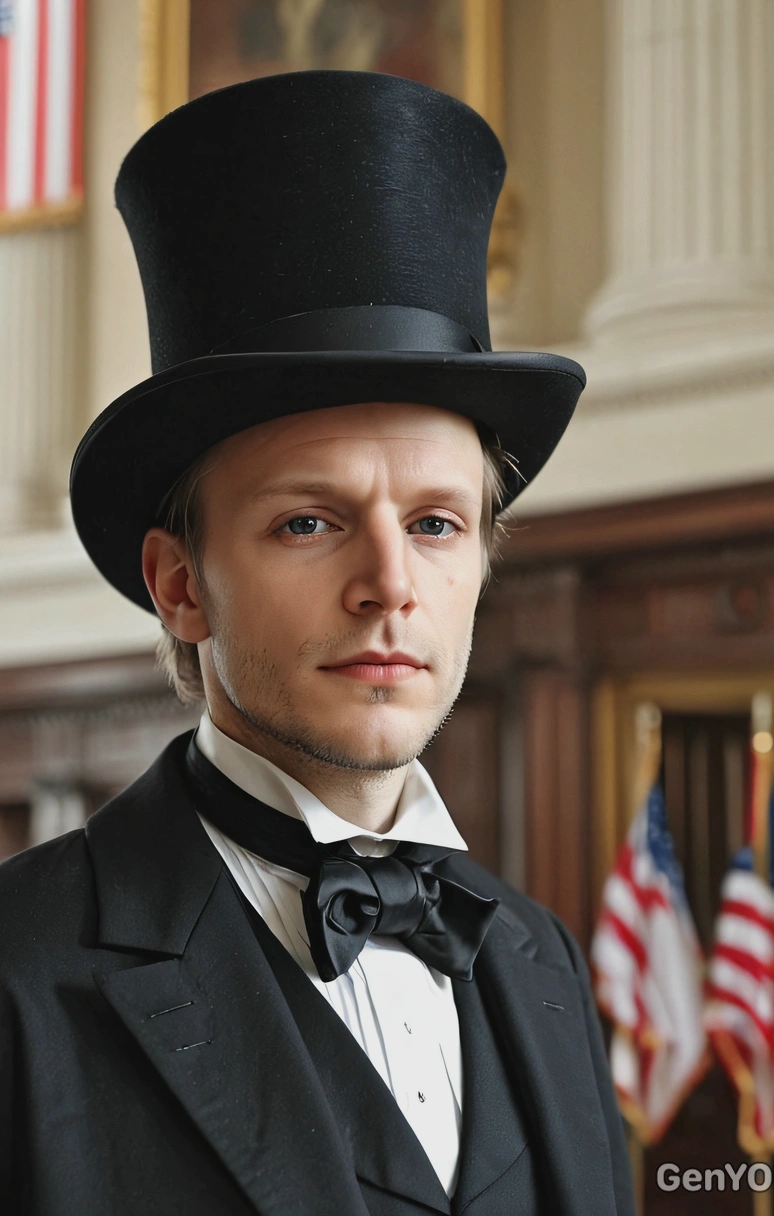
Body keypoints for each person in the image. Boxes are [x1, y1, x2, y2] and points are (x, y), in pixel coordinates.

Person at [0, 71, 635, 1215]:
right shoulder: (18, 969)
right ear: (181, 586)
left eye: (435, 524)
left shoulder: (543, 957)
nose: (390, 584)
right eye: (309, 522)